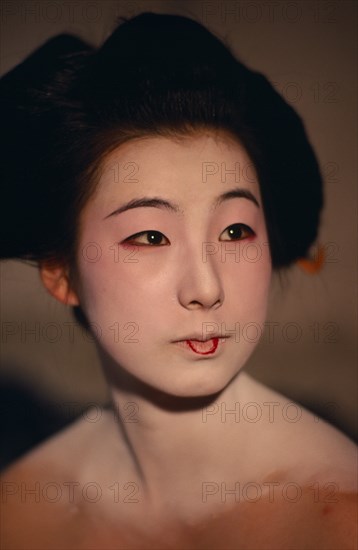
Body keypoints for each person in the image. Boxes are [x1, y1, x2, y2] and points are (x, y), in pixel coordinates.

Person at [1, 12, 356, 550]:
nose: (206, 287)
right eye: (149, 237)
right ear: (61, 272)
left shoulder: (337, 517)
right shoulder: (22, 512)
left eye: (236, 230)